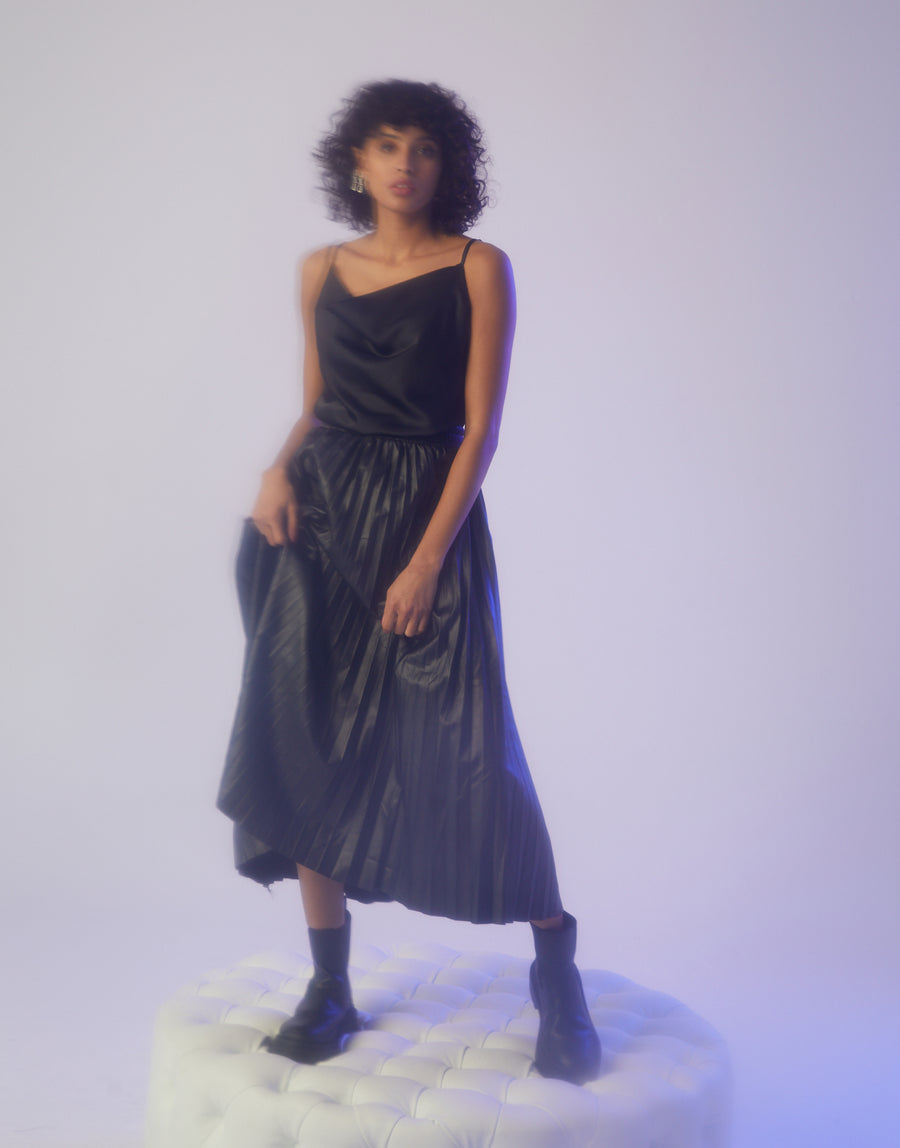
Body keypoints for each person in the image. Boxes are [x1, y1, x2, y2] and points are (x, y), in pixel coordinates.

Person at [217, 79, 601, 1086]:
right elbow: (316, 404)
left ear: (447, 166)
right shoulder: (319, 270)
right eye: (386, 144)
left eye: (423, 147)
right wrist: (274, 470)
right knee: (302, 741)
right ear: (357, 161)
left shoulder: (479, 267)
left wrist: (427, 559)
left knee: (470, 752)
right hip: (315, 520)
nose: (404, 163)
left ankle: (557, 968)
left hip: (427, 521)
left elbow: (481, 431)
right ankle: (329, 985)